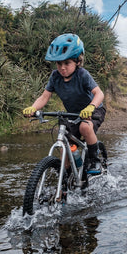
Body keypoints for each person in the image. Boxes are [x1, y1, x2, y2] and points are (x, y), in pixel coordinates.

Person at [23, 33, 105, 175]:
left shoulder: (82, 74)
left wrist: (91, 107)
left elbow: (99, 94)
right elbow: (44, 97)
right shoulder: (55, 77)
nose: (62, 68)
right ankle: (66, 179)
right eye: (59, 63)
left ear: (78, 62)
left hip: (94, 109)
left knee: (85, 127)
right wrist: (33, 107)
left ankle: (94, 159)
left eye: (67, 63)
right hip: (72, 114)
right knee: (65, 146)